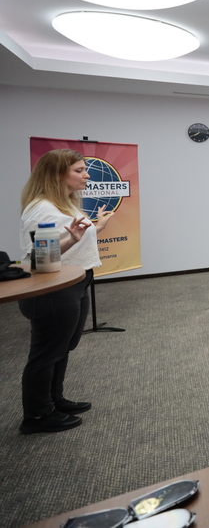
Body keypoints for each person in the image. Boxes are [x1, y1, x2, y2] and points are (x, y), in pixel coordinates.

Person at [17, 149, 115, 434]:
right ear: (57, 174)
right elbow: (40, 260)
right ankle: (37, 416)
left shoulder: (64, 203)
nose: (87, 175)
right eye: (79, 170)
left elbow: (72, 235)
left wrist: (97, 227)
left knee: (62, 348)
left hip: (75, 281)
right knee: (47, 352)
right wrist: (71, 241)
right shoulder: (42, 210)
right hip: (52, 289)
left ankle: (53, 400)